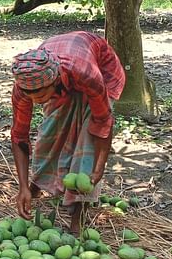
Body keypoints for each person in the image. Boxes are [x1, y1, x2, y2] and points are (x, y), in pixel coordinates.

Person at [10, 31, 125, 235]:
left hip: (101, 71)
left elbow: (103, 122)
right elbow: (19, 137)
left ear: (54, 82)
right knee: (50, 133)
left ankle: (78, 216)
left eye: (42, 95)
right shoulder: (26, 84)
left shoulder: (87, 75)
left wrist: (98, 168)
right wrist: (22, 187)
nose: (37, 101)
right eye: (31, 96)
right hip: (65, 69)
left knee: (86, 142)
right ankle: (35, 187)